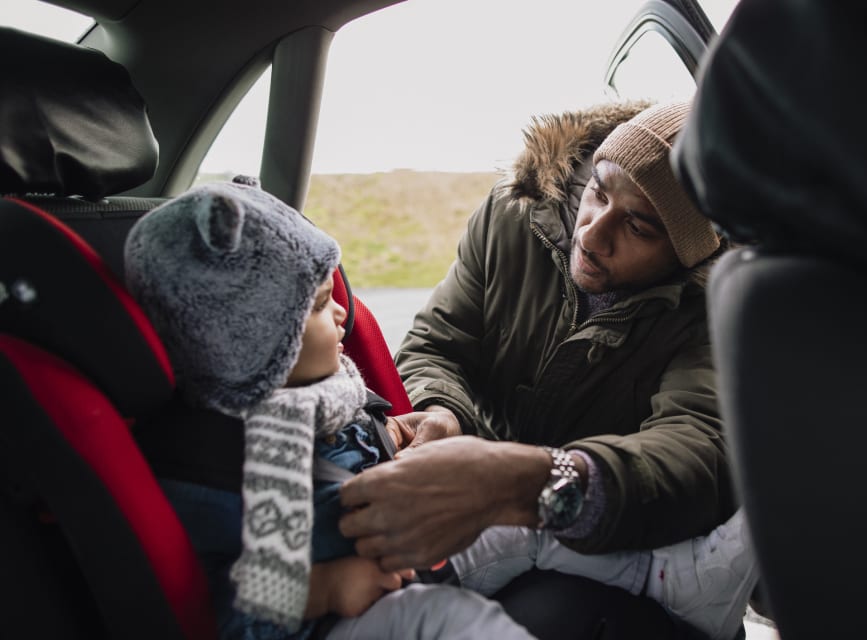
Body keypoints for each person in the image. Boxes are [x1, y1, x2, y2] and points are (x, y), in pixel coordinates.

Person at [338, 100, 757, 639]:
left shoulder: (716, 308)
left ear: (688, 254)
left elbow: (698, 451)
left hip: (619, 551)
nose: (594, 234)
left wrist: (533, 482)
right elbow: (439, 343)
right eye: (599, 193)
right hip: (477, 521)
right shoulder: (514, 215)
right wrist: (443, 412)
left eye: (637, 226)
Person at [124, 176, 536, 640]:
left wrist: (395, 432)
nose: (342, 311)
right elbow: (215, 609)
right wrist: (326, 587)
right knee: (442, 615)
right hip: (329, 622)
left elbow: (341, 450)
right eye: (320, 303)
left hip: (397, 554)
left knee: (524, 514)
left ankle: (636, 565)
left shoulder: (316, 395)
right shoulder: (234, 457)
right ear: (253, 339)